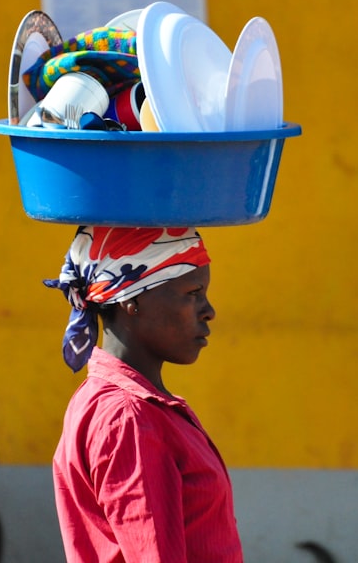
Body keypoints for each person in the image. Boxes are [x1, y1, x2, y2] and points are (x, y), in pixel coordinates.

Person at [44, 225, 244, 562]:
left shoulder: (134, 405)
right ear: (132, 301)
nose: (209, 311)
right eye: (193, 292)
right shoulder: (128, 417)